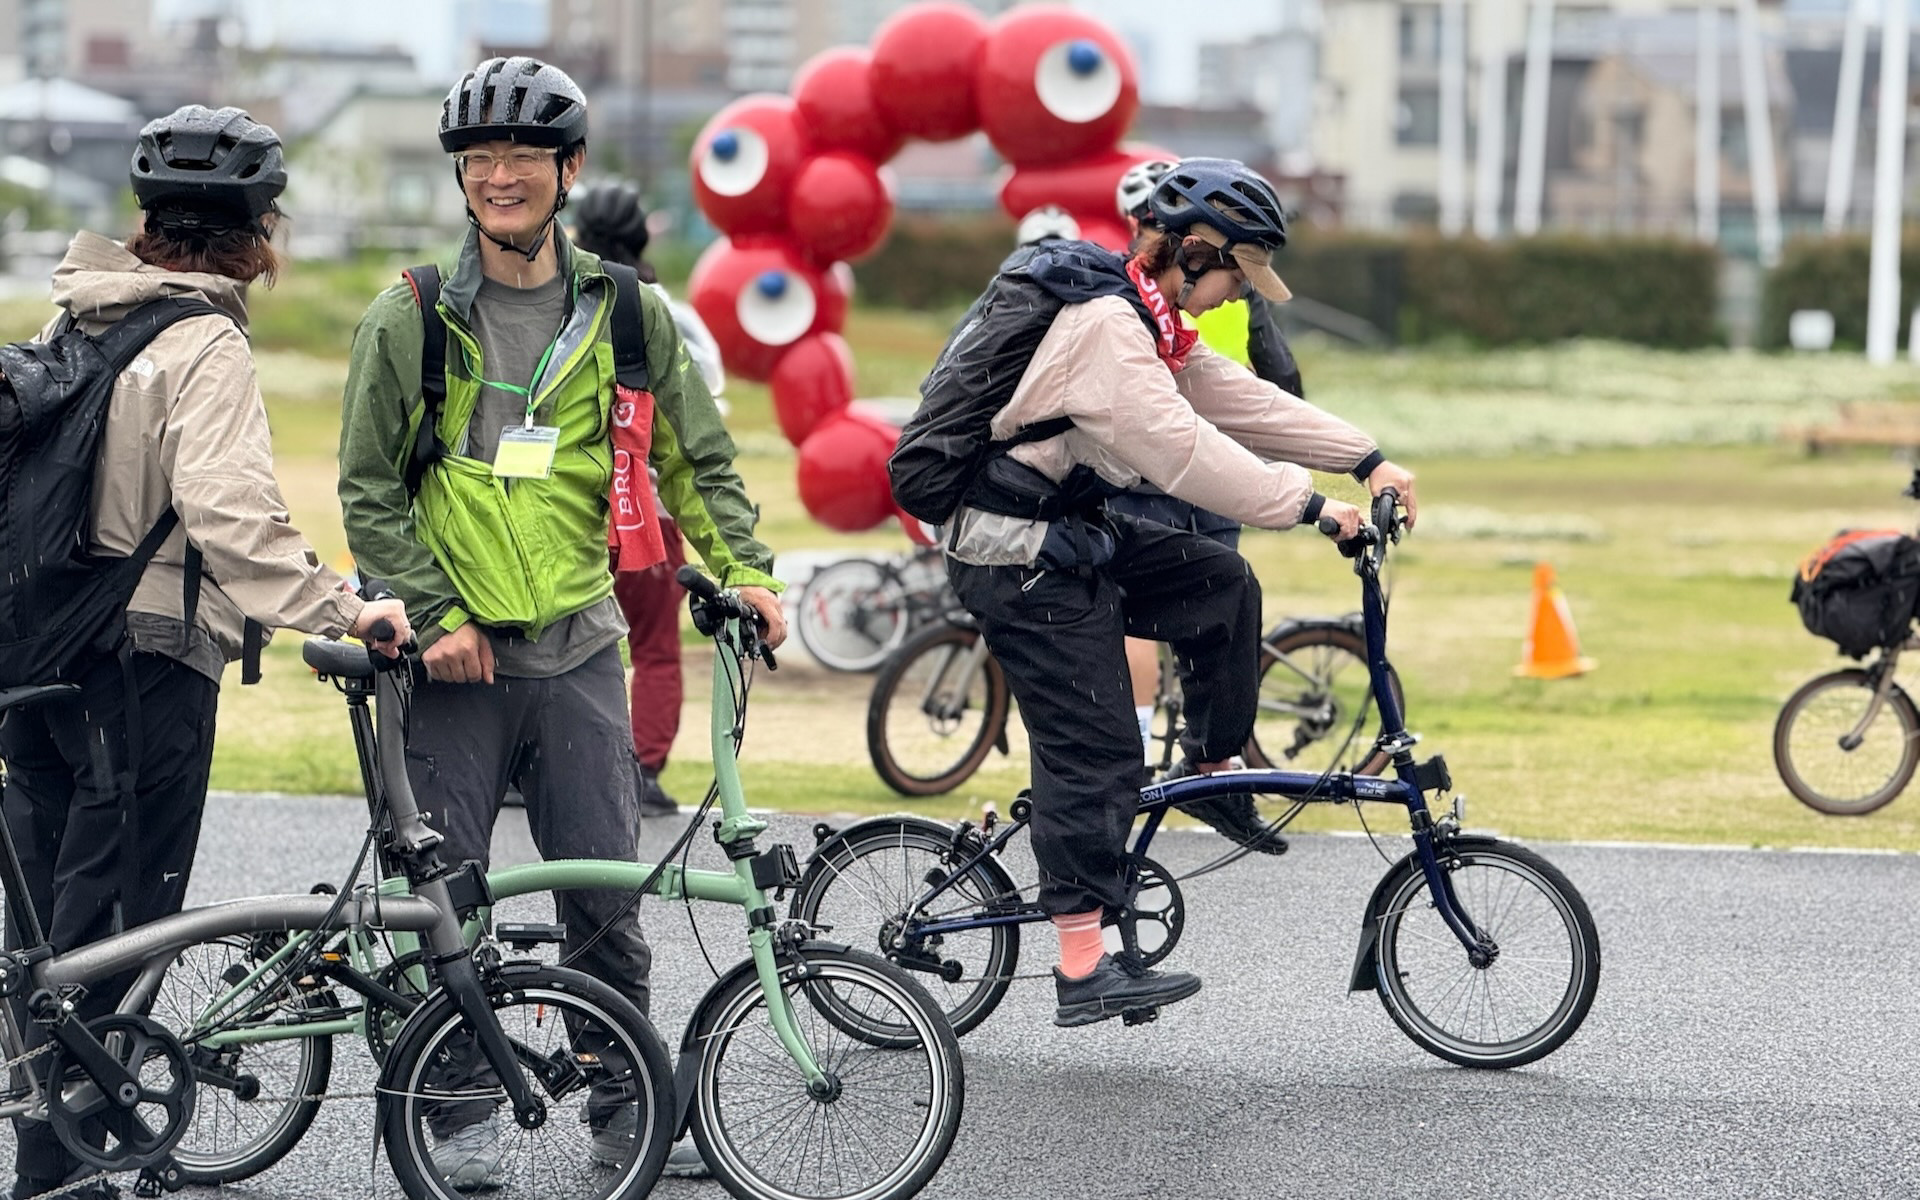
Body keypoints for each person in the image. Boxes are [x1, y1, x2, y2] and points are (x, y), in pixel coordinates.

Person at [337, 57, 784, 1185]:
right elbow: (369, 491)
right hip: (452, 665)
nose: (500, 176)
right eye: (480, 159)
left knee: (604, 897)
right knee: (448, 905)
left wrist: (748, 572)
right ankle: (454, 1109)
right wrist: (435, 612)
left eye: (524, 158)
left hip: (582, 647)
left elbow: (697, 460)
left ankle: (623, 1101)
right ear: (461, 178)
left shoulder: (628, 312)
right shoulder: (410, 316)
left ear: (568, 170)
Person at [0, 105, 411, 1200]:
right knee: (119, 923)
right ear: (257, 229)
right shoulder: (204, 343)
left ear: (147, 220)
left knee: (45, 929)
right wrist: (346, 610)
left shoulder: (75, 319)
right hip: (141, 664)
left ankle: (52, 1146)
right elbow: (231, 519)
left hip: (38, 658)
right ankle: (67, 1171)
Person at [930, 157, 1416, 1027]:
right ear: (1192, 252)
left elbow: (1240, 399)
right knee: (1099, 744)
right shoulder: (1106, 330)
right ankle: (1082, 968)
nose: (1241, 294)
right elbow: (1183, 452)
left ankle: (1214, 766)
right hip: (1012, 552)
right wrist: (1310, 506)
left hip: (1065, 529)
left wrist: (1366, 457)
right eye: (1238, 273)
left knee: (1219, 581)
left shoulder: (1146, 317)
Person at [1108, 159, 1307, 812]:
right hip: (1214, 466)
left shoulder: (1133, 290)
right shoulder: (1221, 294)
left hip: (1151, 471)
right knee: (1214, 605)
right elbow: (1281, 377)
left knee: (1144, 615)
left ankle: (1150, 760)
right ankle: (1207, 766)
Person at [567, 180, 730, 818]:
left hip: (575, 509)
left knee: (567, 641)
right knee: (656, 648)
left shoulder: (567, 304)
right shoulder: (671, 314)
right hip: (652, 513)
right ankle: (643, 770)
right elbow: (706, 405)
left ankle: (557, 762)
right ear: (642, 237)